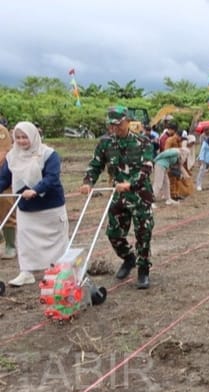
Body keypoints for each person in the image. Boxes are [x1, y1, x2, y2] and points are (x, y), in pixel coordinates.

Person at [80, 107, 154, 289]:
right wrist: (88, 181)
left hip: (140, 195)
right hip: (119, 195)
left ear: (127, 121)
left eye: (119, 124)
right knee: (113, 233)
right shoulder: (105, 144)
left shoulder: (143, 142)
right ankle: (129, 258)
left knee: (143, 234)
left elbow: (146, 168)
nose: (115, 128)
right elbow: (96, 164)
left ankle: (143, 270)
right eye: (111, 125)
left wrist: (131, 183)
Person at [0, 122, 69, 287]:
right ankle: (26, 272)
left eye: (25, 137)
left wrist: (36, 190)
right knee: (25, 240)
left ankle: (59, 271)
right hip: (26, 207)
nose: (22, 141)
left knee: (56, 241)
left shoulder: (48, 154)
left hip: (50, 205)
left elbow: (52, 177)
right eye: (18, 138)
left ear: (33, 136)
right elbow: (4, 179)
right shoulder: (12, 156)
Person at [0, 124, 16, 259]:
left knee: (6, 206)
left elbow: (3, 154)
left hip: (3, 176)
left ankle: (10, 245)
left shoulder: (1, 130)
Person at [169, 135, 195, 200]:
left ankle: (178, 193)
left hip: (180, 166)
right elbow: (180, 162)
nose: (192, 144)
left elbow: (188, 159)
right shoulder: (182, 148)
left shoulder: (188, 149)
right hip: (175, 166)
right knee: (175, 180)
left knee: (182, 178)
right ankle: (174, 194)